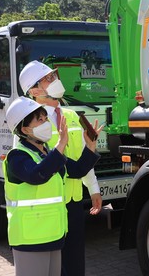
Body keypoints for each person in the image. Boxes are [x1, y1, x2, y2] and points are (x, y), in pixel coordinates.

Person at [19, 60, 104, 276]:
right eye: (48, 78)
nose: (55, 80)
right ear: (35, 90)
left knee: (75, 263)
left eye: (54, 76)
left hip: (74, 203)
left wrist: (93, 188)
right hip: (50, 208)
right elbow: (58, 167)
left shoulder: (73, 116)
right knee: (56, 268)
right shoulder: (32, 124)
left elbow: (80, 154)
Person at [4, 96, 99, 276]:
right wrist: (61, 145)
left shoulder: (47, 152)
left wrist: (90, 147)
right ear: (25, 129)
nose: (46, 122)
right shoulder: (17, 156)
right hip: (30, 239)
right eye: (39, 120)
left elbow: (77, 170)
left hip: (54, 237)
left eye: (45, 118)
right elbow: (37, 175)